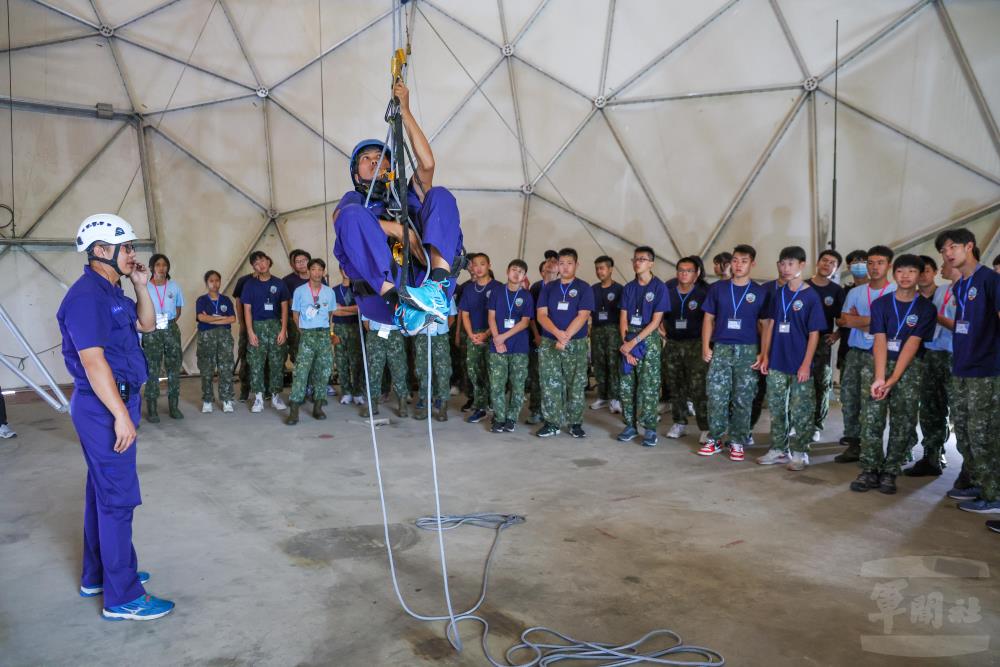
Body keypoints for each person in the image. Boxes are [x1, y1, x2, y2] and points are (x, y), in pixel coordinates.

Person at [57, 213, 174, 620]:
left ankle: (99, 574)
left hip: (117, 402)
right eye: (125, 248)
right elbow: (93, 363)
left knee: (101, 492)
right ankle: (123, 595)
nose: (133, 254)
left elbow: (145, 323)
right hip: (105, 406)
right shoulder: (86, 297)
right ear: (100, 251)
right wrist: (121, 416)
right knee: (119, 499)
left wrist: (142, 286)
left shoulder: (112, 290)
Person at [332, 79, 463, 334]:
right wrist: (397, 230)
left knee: (440, 195)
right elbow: (339, 219)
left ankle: (435, 286)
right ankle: (401, 306)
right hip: (382, 297)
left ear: (391, 168)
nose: (374, 162)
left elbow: (426, 165)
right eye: (365, 159)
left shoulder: (406, 195)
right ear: (356, 175)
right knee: (351, 217)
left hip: (422, 279)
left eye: (379, 158)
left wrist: (405, 111)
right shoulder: (355, 201)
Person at [849, 254, 936, 495]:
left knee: (904, 420)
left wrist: (894, 379)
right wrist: (879, 377)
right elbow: (879, 338)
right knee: (871, 418)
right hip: (877, 362)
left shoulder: (926, 308)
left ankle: (891, 470)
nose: (906, 276)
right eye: (901, 271)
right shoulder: (881, 304)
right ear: (894, 273)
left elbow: (913, 343)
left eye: (911, 271)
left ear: (919, 275)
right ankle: (870, 468)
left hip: (908, 368)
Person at [935, 228, 1000, 519]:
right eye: (943, 250)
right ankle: (979, 482)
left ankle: (994, 494)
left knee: (983, 433)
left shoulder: (990, 280)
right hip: (961, 367)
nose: (948, 254)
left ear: (969, 246)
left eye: (952, 247)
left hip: (986, 371)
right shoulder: (961, 285)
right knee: (962, 431)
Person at [756, 247, 826, 470]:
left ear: (802, 265)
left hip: (799, 363)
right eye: (782, 264)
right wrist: (765, 355)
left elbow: (815, 334)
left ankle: (800, 451)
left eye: (791, 264)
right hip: (777, 360)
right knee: (777, 408)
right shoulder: (779, 293)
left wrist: (806, 364)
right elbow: (770, 325)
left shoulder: (811, 296)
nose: (786, 269)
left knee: (801, 409)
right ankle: (778, 448)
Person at [699, 244, 769, 457]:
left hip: (748, 350)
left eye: (744, 261)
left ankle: (737, 440)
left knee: (743, 397)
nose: (738, 265)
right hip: (721, 348)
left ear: (752, 264)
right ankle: (715, 438)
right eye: (735, 260)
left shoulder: (759, 292)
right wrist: (705, 346)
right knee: (717, 395)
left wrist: (763, 353)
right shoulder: (718, 289)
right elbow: (708, 319)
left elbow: (765, 325)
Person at [834, 246, 895, 463]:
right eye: (871, 263)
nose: (874, 267)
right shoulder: (855, 292)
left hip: (878, 355)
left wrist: (857, 320)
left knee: (873, 403)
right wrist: (871, 322)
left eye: (880, 262)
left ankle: (872, 449)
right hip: (854, 353)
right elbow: (842, 320)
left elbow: (889, 325)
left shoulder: (894, 292)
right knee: (850, 399)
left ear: (889, 265)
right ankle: (853, 444)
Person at [535, 248, 595, 438]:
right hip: (549, 342)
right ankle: (552, 422)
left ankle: (575, 423)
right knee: (550, 383)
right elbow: (541, 315)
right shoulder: (548, 288)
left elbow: (583, 315)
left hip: (575, 343)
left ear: (577, 265)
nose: (565, 267)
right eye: (562, 263)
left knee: (575, 383)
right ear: (557, 266)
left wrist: (566, 336)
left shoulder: (585, 288)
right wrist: (557, 334)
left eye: (570, 263)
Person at [905, 257, 955, 476]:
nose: (944, 266)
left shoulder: (970, 291)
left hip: (957, 355)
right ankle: (931, 456)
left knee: (961, 413)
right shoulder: (943, 291)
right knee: (930, 408)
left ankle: (971, 471)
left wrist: (938, 318)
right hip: (932, 353)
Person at [616, 246, 670, 447]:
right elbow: (623, 318)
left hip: (648, 341)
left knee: (648, 386)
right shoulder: (629, 288)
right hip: (628, 337)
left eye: (643, 259)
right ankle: (630, 425)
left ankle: (649, 429)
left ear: (651, 263)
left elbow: (656, 322)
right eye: (635, 259)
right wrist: (625, 345)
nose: (638, 262)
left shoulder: (659, 287)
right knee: (627, 385)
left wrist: (633, 343)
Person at [662, 257, 710, 443]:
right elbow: (658, 315)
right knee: (675, 386)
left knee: (699, 387)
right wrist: (664, 333)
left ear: (696, 274)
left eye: (689, 270)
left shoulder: (703, 293)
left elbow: (710, 319)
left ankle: (705, 427)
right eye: (681, 270)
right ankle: (679, 422)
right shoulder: (669, 293)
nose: (684, 274)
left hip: (695, 344)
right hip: (673, 344)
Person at [486, 260, 535, 432]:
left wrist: (502, 338)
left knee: (517, 385)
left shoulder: (527, 296)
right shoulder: (497, 292)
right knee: (497, 384)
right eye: (514, 269)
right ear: (507, 271)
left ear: (524, 276)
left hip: (519, 347)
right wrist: (496, 338)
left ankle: (511, 418)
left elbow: (525, 322)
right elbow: (491, 317)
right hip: (497, 347)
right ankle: (499, 418)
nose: (516, 274)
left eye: (520, 271)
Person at [286, 259, 336, 425]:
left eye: (320, 269)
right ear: (308, 271)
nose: (317, 273)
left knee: (323, 371)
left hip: (323, 335)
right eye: (313, 269)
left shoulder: (329, 292)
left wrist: (326, 332)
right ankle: (294, 410)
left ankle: (318, 406)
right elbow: (295, 315)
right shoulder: (299, 291)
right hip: (307, 334)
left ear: (323, 272)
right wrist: (305, 331)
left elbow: (329, 315)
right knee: (301, 371)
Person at [241, 251, 290, 413]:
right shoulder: (249, 285)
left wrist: (283, 330)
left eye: (262, 260)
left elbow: (284, 308)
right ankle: (259, 398)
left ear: (268, 261)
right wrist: (250, 332)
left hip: (276, 326)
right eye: (256, 263)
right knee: (256, 364)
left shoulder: (279, 283)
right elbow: (246, 310)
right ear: (253, 267)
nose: (260, 265)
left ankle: (275, 396)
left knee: (276, 363)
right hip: (257, 326)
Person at [805, 249, 845, 442]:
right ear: (817, 262)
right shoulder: (802, 285)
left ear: (836, 268)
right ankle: (798, 422)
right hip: (800, 341)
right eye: (824, 260)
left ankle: (815, 424)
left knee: (821, 383)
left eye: (832, 263)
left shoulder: (836, 291)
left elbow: (842, 319)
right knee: (799, 383)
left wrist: (836, 334)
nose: (827, 264)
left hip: (822, 342)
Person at [142, 254, 184, 422]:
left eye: (164, 265)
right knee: (152, 368)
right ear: (152, 267)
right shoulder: (145, 286)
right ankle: (152, 409)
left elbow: (178, 308)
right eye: (158, 264)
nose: (162, 267)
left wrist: (169, 322)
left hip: (171, 328)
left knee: (174, 367)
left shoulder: (174, 286)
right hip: (151, 330)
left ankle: (174, 406)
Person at [459, 253, 501, 423]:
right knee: (474, 372)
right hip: (474, 335)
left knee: (494, 373)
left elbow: (499, 316)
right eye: (475, 264)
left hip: (493, 334)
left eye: (482, 264)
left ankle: (497, 409)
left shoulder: (498, 288)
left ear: (489, 265)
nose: (478, 267)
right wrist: (471, 335)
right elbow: (465, 315)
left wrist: (486, 334)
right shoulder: (469, 288)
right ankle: (481, 407)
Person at [195, 270, 236, 414]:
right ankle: (207, 400)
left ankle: (226, 399)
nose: (215, 283)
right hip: (206, 338)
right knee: (207, 369)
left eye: (217, 280)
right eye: (211, 280)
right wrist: (221, 319)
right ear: (207, 283)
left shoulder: (226, 300)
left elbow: (232, 319)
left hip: (224, 338)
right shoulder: (202, 300)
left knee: (225, 368)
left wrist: (212, 318)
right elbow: (201, 318)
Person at [526, 252, 559, 424]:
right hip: (539, 339)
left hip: (558, 340)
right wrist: (537, 335)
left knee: (556, 378)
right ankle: (535, 410)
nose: (550, 263)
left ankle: (554, 412)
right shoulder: (537, 287)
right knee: (537, 376)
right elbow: (531, 315)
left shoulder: (563, 286)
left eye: (554, 261)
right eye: (547, 260)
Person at [413, 297, 456, 422]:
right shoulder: (417, 293)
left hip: (440, 337)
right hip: (422, 336)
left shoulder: (446, 295)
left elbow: (452, 317)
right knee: (422, 371)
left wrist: (442, 329)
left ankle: (443, 407)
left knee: (443, 372)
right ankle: (425, 405)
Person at [590, 255, 623, 414]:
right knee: (599, 363)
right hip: (596, 330)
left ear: (610, 269)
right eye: (596, 268)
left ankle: (615, 398)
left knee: (613, 363)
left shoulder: (619, 289)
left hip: (613, 331)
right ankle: (602, 396)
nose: (599, 271)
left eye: (602, 268)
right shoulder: (593, 289)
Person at [360, 314, 409, 418]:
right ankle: (372, 404)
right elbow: (366, 322)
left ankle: (402, 403)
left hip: (394, 334)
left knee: (399, 370)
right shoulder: (370, 298)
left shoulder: (397, 297)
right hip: (375, 335)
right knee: (373, 371)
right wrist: (374, 334)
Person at [332, 267, 364, 406]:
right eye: (344, 268)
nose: (347, 270)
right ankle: (346, 392)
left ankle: (358, 392)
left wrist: (341, 309)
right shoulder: (333, 290)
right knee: (341, 361)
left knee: (356, 361)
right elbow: (333, 311)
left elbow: (361, 309)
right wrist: (351, 310)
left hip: (356, 328)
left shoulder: (359, 288)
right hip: (339, 329)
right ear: (340, 270)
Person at [282, 249, 312, 368]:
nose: (302, 263)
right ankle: (301, 380)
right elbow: (289, 303)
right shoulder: (288, 280)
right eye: (298, 261)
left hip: (316, 320)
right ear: (293, 264)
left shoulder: (318, 277)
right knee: (297, 349)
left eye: (304, 260)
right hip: (296, 320)